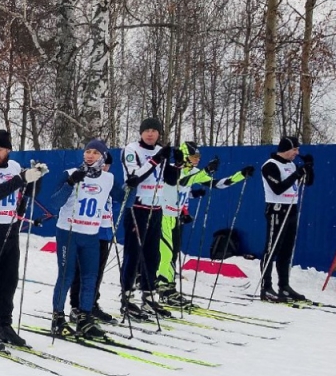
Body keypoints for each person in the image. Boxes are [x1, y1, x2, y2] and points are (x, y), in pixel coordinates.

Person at [0, 129, 48, 350]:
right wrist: (22, 178)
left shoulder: (14, 167)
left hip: (11, 230)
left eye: (0, 149)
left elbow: (29, 192)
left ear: (8, 150)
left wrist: (36, 177)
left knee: (9, 282)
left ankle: (5, 326)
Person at [156, 142, 254, 306]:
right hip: (163, 216)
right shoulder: (172, 170)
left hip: (175, 217)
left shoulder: (195, 172)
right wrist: (205, 171)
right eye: (194, 157)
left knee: (173, 255)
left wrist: (240, 175)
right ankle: (163, 287)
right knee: (166, 254)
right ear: (185, 156)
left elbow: (217, 184)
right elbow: (183, 181)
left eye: (198, 158)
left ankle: (167, 286)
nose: (197, 160)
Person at [52, 140, 116, 338]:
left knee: (90, 277)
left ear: (103, 156)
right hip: (68, 232)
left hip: (91, 234)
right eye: (88, 151)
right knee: (66, 275)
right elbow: (54, 203)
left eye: (95, 152)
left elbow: (126, 198)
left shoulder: (108, 178)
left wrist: (134, 184)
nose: (90, 155)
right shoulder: (70, 173)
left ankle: (85, 318)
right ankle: (58, 319)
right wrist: (70, 184)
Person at [120, 117, 177, 321]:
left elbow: (171, 179)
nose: (150, 134)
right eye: (147, 130)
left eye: (154, 130)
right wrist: (156, 160)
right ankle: (126, 298)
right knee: (133, 254)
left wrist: (176, 163)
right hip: (137, 207)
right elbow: (133, 177)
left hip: (156, 207)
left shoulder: (160, 150)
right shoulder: (132, 149)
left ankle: (149, 295)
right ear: (141, 133)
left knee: (153, 255)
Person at [259, 136, 313, 302]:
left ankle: (284, 286)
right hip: (277, 208)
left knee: (287, 250)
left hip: (291, 208)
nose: (297, 153)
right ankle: (266, 287)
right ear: (286, 149)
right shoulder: (270, 165)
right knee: (272, 247)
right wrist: (297, 174)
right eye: (295, 149)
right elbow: (277, 188)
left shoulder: (290, 164)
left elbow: (308, 182)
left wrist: (309, 168)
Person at [70, 151, 117, 324]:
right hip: (88, 231)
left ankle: (91, 304)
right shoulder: (87, 180)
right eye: (102, 164)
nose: (104, 168)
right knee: (81, 271)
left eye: (107, 165)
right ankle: (76, 306)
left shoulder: (108, 180)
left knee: (96, 273)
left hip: (103, 232)